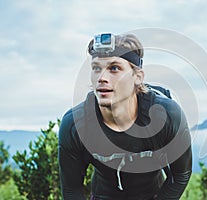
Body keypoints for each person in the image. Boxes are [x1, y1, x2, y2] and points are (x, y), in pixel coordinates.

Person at [58, 32, 192, 200]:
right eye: (96, 68)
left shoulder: (166, 116)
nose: (102, 78)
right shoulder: (76, 125)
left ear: (137, 77)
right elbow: (71, 189)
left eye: (114, 68)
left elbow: (180, 175)